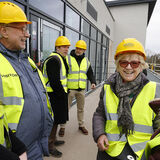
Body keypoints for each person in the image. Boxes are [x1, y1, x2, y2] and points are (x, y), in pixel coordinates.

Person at [0, 2, 53, 160]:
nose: (28, 34)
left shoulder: (26, 60)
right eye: (22, 29)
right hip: (13, 152)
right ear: (3, 31)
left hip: (35, 145)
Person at [92, 38, 160, 160]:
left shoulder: (154, 90)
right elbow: (100, 114)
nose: (129, 67)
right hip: (111, 149)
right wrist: (100, 134)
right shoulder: (108, 87)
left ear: (141, 65)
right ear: (118, 65)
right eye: (124, 63)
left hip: (140, 152)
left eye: (134, 63)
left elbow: (158, 126)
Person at [59, 40, 96, 137]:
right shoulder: (67, 58)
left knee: (81, 108)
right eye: (78, 48)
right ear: (75, 48)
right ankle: (62, 126)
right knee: (65, 108)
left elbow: (90, 73)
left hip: (81, 89)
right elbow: (62, 73)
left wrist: (93, 82)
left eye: (81, 49)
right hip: (70, 89)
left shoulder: (86, 61)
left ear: (84, 50)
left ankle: (81, 125)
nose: (79, 50)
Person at [42, 36, 70, 158]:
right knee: (53, 121)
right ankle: (50, 146)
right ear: (57, 48)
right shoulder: (54, 60)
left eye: (68, 47)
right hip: (53, 95)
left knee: (57, 119)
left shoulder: (60, 58)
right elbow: (54, 81)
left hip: (57, 94)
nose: (66, 49)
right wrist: (62, 95)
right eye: (64, 47)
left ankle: (53, 139)